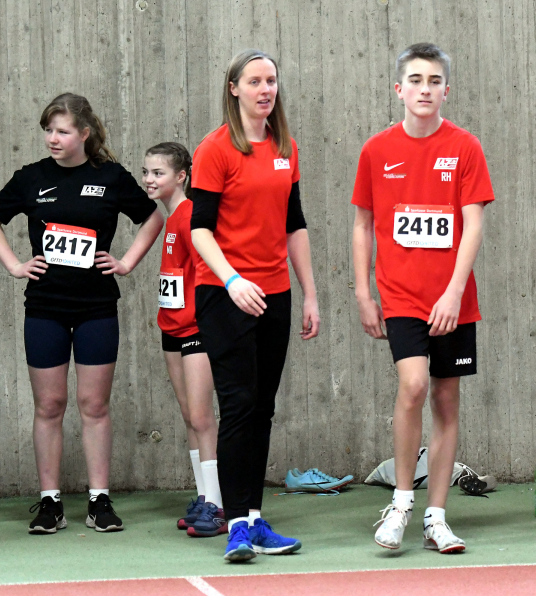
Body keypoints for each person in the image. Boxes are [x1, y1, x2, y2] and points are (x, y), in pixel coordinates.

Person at [0, 93, 163, 535]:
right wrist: (14, 264)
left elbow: (153, 217)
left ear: (84, 133)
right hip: (45, 307)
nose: (52, 139)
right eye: (48, 130)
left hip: (97, 305)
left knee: (93, 404)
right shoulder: (31, 178)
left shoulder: (111, 177)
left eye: (62, 131)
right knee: (50, 404)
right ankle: (50, 501)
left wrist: (127, 261)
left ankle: (99, 499)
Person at [351, 42, 494, 554]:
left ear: (446, 90)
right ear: (399, 89)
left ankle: (437, 516)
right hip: (401, 296)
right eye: (415, 80)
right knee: (413, 386)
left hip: (453, 299)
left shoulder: (466, 147)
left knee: (447, 399)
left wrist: (455, 292)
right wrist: (364, 293)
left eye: (434, 81)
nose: (424, 89)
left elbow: (473, 224)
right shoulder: (377, 150)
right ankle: (402, 502)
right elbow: (363, 225)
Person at [191, 49, 319, 562]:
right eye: (255, 81)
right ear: (234, 89)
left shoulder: (286, 147)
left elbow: (295, 224)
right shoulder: (215, 149)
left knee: (262, 408)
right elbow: (199, 228)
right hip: (224, 295)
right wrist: (232, 280)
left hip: (276, 294)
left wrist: (309, 292)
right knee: (239, 405)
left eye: (272, 80)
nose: (265, 89)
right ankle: (237, 526)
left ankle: (255, 518)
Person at [142, 142, 223, 537]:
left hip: (196, 330)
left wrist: (204, 321)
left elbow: (210, 271)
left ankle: (218, 504)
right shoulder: (168, 217)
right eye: (146, 172)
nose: (148, 180)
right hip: (170, 328)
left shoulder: (191, 216)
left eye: (157, 173)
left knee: (203, 417)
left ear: (181, 177)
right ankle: (202, 496)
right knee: (189, 416)